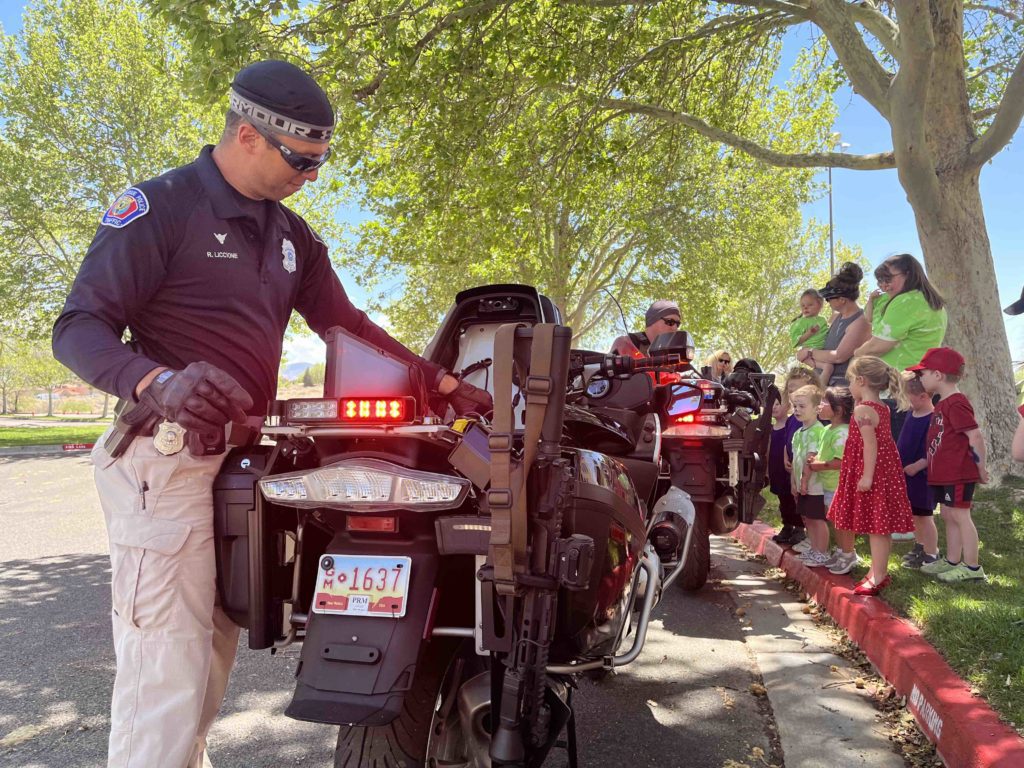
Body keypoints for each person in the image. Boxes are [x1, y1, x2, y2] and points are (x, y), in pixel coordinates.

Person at [51, 60, 491, 768]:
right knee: (164, 665)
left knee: (205, 661)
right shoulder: (160, 208)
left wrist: (439, 381)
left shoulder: (292, 235)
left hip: (243, 461)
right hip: (165, 458)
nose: (312, 175)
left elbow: (345, 324)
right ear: (249, 135)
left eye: (321, 163)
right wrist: (154, 381)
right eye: (302, 160)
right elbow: (76, 327)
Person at [826, 356, 914, 596]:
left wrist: (866, 476)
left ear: (862, 381)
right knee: (881, 527)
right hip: (884, 469)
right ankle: (878, 571)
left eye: (851, 381)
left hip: (872, 470)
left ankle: (878, 575)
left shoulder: (864, 409)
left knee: (877, 527)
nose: (850, 387)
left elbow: (870, 445)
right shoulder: (881, 407)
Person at [909, 348, 990, 583]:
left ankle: (973, 568)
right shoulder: (942, 404)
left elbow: (974, 437)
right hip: (943, 474)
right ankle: (953, 560)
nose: (920, 378)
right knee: (947, 514)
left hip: (958, 474)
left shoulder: (956, 403)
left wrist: (980, 468)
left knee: (960, 515)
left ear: (938, 375)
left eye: (922, 373)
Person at [855, 254, 947, 371]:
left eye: (888, 279)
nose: (884, 285)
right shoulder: (927, 300)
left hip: (900, 379)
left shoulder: (906, 301)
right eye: (880, 281)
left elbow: (876, 347)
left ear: (908, 274)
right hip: (921, 375)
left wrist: (856, 355)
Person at [798, 263, 871, 386]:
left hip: (841, 387)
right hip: (820, 381)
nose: (827, 302)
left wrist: (809, 352)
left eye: (829, 298)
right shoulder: (836, 317)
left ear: (842, 299)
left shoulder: (861, 322)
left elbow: (838, 356)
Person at [773, 366, 822, 546]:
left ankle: (802, 530)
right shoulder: (794, 417)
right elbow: (790, 438)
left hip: (805, 467)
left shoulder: (812, 418)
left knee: (802, 500)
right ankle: (789, 525)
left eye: (799, 390)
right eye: (791, 389)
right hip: (792, 464)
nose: (794, 393)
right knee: (786, 495)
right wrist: (787, 457)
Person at [808, 386, 854, 573]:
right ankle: (843, 551)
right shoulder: (827, 429)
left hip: (838, 486)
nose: (819, 406)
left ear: (839, 409)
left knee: (842, 522)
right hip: (828, 485)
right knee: (835, 520)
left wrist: (819, 464)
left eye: (824, 402)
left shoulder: (843, 432)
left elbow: (840, 462)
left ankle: (849, 554)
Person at [896, 374, 939, 569]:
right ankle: (920, 546)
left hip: (922, 477)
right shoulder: (910, 414)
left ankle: (932, 552)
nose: (906, 400)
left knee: (925, 515)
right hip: (907, 475)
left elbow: (934, 448)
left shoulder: (933, 418)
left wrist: (919, 465)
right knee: (915, 514)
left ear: (923, 396)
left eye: (909, 397)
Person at [789, 385, 829, 566]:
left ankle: (822, 552)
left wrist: (804, 481)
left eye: (802, 406)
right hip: (802, 485)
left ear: (816, 408)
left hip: (815, 486)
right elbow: (795, 461)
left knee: (817, 519)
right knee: (807, 519)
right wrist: (794, 483)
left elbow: (810, 459)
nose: (797, 410)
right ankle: (813, 549)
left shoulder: (818, 430)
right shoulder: (798, 433)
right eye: (795, 406)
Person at [610, 299, 681, 357]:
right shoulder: (629, 342)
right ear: (653, 321)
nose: (675, 328)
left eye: (677, 324)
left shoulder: (673, 353)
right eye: (670, 322)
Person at [789, 289, 830, 376]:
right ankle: (823, 366)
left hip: (823, 349)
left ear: (820, 305)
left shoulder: (823, 320)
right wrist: (809, 333)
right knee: (799, 356)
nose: (805, 308)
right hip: (809, 349)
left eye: (810, 305)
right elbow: (796, 341)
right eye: (803, 305)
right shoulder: (800, 322)